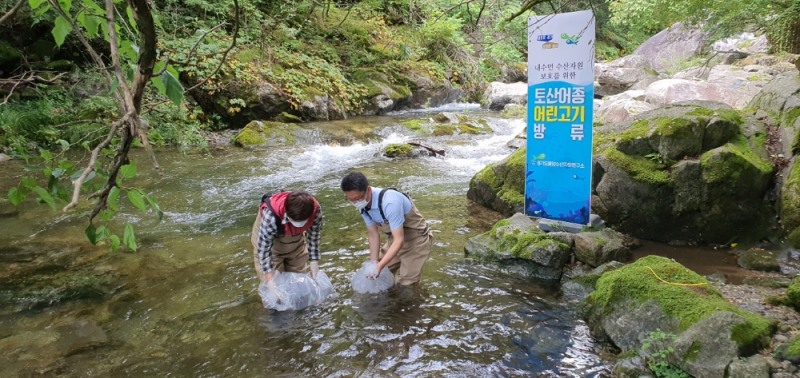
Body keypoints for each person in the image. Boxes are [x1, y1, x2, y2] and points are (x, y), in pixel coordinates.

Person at [340, 172, 432, 286]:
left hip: (416, 240)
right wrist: (374, 263)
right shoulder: (362, 205)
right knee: (378, 271)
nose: (355, 203)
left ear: (368, 190)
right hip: (394, 238)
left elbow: (399, 240)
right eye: (351, 200)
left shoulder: (390, 202)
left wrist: (379, 266)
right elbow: (373, 234)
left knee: (405, 283)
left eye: (357, 198)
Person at [251, 190, 323, 288]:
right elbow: (263, 251)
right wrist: (271, 281)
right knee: (277, 285)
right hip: (270, 244)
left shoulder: (315, 210)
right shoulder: (270, 217)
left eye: (303, 221)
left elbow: (314, 237)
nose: (298, 225)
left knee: (299, 282)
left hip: (295, 241)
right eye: (294, 221)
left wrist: (314, 263)